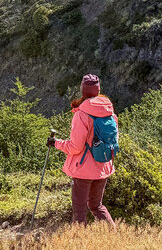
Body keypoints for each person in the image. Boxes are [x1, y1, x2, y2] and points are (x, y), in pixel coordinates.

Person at [48, 74, 117, 226]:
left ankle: (79, 242)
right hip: (104, 165)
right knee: (96, 206)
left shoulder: (82, 114)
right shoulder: (110, 112)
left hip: (84, 169)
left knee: (79, 209)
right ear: (98, 90)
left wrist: (56, 143)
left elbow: (75, 147)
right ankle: (114, 237)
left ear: (82, 90)